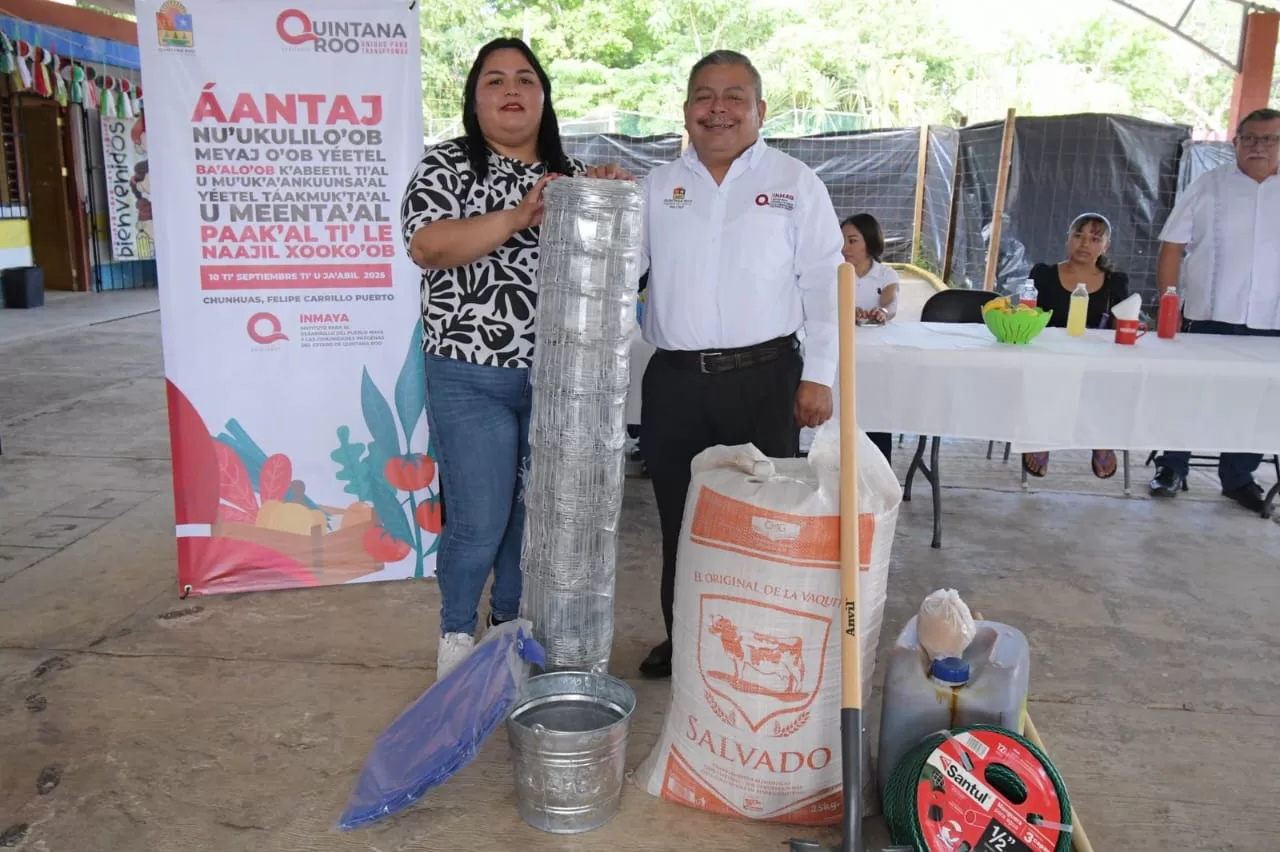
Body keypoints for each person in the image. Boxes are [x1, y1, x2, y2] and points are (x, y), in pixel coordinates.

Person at [400, 38, 628, 677]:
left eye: (525, 79)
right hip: (469, 373)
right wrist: (518, 215)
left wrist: (604, 195)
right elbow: (429, 247)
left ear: (543, 97)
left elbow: (611, 267)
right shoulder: (446, 166)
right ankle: (455, 635)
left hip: (560, 380)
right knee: (480, 517)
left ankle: (507, 630)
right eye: (494, 80)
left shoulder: (570, 177)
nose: (511, 90)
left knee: (532, 521)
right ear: (475, 100)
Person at [637, 50, 842, 679]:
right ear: (686, 110)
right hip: (674, 382)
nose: (718, 108)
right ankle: (687, 641)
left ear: (760, 110)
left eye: (734, 96)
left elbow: (824, 283)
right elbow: (623, 275)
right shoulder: (656, 187)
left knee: (762, 521)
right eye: (704, 95)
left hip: (766, 379)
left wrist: (820, 376)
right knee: (681, 518)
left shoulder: (795, 183)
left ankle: (762, 645)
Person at [1149, 107, 1280, 512]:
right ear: (1236, 143)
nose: (1258, 146)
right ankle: (1172, 467)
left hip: (1271, 320)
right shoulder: (1209, 185)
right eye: (1250, 138)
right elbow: (1172, 245)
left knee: (1257, 401)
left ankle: (1239, 479)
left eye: (1269, 139)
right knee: (1190, 393)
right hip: (1208, 313)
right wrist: (1169, 302)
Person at [1021, 212, 1130, 480]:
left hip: (1096, 360)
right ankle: (1041, 437)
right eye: (1078, 236)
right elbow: (1029, 316)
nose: (1085, 244)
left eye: (1095, 238)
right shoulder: (1043, 274)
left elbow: (1121, 326)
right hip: (1049, 357)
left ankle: (1101, 438)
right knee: (1046, 375)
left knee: (1115, 378)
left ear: (1106, 245)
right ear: (1067, 239)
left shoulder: (1116, 281)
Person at [842, 213, 897, 464]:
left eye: (852, 240)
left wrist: (881, 313)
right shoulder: (836, 271)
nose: (845, 247)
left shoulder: (885, 274)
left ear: (870, 242)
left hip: (876, 354)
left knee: (876, 405)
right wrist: (845, 310)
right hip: (844, 350)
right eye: (842, 240)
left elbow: (890, 303)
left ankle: (878, 464)